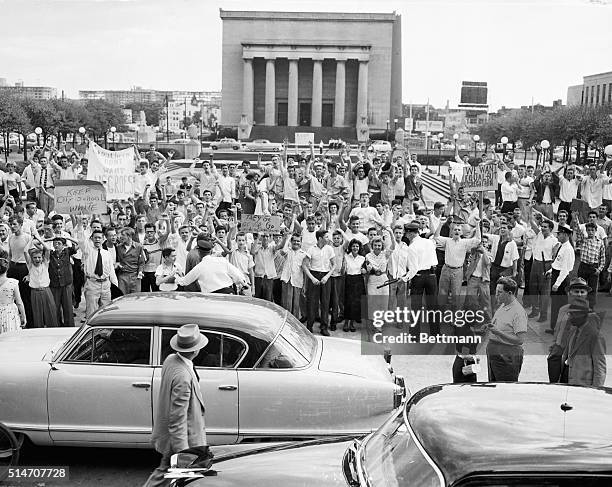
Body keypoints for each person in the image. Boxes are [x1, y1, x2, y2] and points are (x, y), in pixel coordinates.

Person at [144, 324, 209, 487]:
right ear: (196, 350)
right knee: (170, 476)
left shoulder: (171, 360)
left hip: (175, 439)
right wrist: (184, 453)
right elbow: (177, 420)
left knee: (164, 475)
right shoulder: (183, 378)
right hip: (183, 441)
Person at [547, 277, 592, 383]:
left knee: (565, 384)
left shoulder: (589, 315)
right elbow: (557, 329)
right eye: (576, 291)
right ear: (569, 293)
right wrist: (554, 345)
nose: (579, 294)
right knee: (553, 382)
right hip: (558, 351)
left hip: (572, 356)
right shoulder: (563, 310)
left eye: (582, 292)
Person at [486, 277, 527, 382]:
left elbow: (520, 340)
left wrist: (498, 332)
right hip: (495, 353)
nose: (496, 295)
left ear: (510, 293)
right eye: (496, 292)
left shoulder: (518, 312)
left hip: (506, 356)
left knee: (505, 388)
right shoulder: (504, 305)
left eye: (499, 292)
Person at [177, 240, 248, 294]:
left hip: (211, 297)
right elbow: (238, 276)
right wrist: (244, 284)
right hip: (228, 293)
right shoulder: (222, 261)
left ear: (199, 252)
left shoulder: (199, 267)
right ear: (211, 251)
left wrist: (175, 278)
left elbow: (184, 281)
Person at [562, 302, 607, 387]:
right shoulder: (573, 331)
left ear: (582, 315)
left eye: (573, 314)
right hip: (569, 383)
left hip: (584, 386)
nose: (570, 317)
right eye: (569, 314)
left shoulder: (595, 336)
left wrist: (595, 391)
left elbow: (600, 368)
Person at [548, 225, 575, 334]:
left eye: (559, 234)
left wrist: (557, 284)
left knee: (561, 306)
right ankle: (554, 327)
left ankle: (561, 329)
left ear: (566, 235)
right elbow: (557, 262)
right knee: (555, 305)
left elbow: (565, 269)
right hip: (556, 274)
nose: (557, 236)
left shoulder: (568, 249)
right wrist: (550, 271)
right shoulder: (561, 246)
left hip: (562, 280)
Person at [0, 249, 26, 334]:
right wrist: (23, 316)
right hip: (9, 314)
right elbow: (19, 302)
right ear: (7, 266)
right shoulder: (13, 283)